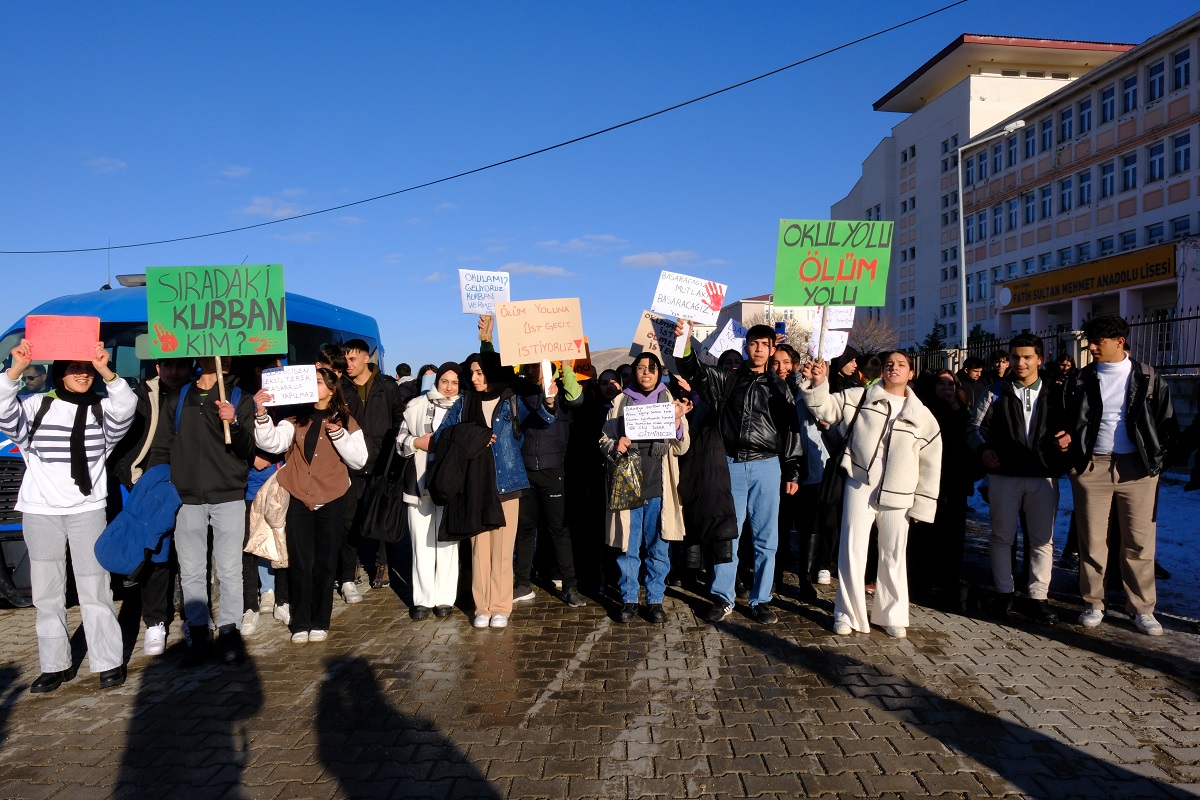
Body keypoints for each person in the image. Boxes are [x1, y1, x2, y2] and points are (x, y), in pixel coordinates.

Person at [1, 340, 136, 692]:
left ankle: (107, 661)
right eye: (75, 367)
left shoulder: (102, 410)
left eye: (88, 368)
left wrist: (107, 368)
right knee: (47, 593)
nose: (83, 374)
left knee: (95, 589)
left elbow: (127, 406)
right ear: (60, 371)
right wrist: (16, 368)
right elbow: (3, 411)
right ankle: (54, 665)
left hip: (87, 510)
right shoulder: (35, 405)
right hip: (40, 511)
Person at [801, 351, 942, 638]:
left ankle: (892, 614)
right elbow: (826, 409)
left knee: (893, 553)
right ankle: (846, 613)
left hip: (900, 492)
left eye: (901, 364)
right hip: (860, 482)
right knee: (852, 549)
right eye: (890, 363)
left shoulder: (922, 415)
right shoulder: (860, 396)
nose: (894, 367)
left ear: (911, 374)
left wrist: (923, 504)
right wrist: (818, 383)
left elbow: (931, 462)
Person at [675, 319, 804, 625]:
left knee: (766, 539)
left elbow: (792, 431)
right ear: (747, 347)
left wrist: (793, 471)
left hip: (768, 466)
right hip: (731, 465)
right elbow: (694, 370)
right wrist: (686, 340)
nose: (759, 349)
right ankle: (723, 596)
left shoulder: (781, 386)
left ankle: (761, 599)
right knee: (727, 535)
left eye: (765, 344)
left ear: (773, 348)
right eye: (753, 343)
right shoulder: (728, 378)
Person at [1064, 315, 1177, 635]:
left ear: (1120, 342)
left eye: (1099, 341)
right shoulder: (1080, 379)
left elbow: (1166, 422)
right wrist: (1074, 460)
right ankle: (1093, 603)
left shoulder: (1147, 376)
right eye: (1090, 341)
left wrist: (1156, 462)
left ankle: (1142, 608)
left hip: (1137, 470)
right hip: (1092, 467)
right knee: (1093, 540)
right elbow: (1068, 420)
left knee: (1139, 542)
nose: (1092, 347)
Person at [433, 351, 557, 628]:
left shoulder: (510, 400)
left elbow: (543, 419)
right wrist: (472, 435)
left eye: (480, 372)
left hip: (508, 482)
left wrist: (549, 401)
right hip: (474, 483)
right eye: (472, 373)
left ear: (492, 372)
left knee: (502, 549)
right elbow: (442, 434)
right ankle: (482, 607)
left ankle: (501, 606)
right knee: (480, 549)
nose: (474, 378)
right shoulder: (464, 402)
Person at [147, 356, 257, 666]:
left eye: (229, 354)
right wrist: (160, 485)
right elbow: (163, 447)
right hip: (187, 498)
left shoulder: (240, 397)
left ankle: (230, 630)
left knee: (229, 569)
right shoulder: (178, 397)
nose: (225, 358)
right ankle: (198, 630)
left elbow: (247, 449)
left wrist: (233, 423)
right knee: (192, 570)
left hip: (229, 495)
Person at [253, 368, 367, 643]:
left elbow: (359, 460)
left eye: (317, 382)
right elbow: (272, 442)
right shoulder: (293, 419)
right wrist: (262, 414)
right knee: (301, 562)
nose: (313, 386)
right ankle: (300, 621)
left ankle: (320, 620)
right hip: (300, 498)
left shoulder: (346, 420)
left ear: (331, 388)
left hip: (331, 498)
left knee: (326, 563)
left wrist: (340, 435)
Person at [967, 335, 1068, 623]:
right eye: (1015, 357)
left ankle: (1038, 596)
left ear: (1040, 359)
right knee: (1001, 536)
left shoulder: (1055, 391)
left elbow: (1070, 427)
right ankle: (1003, 593)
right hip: (1004, 476)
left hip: (1043, 476)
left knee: (1042, 540)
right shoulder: (994, 391)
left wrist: (1068, 440)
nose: (1020, 362)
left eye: (1027, 357)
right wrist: (983, 449)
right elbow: (974, 427)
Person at [109, 357, 196, 656]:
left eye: (181, 366)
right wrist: (134, 480)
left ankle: (192, 619)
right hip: (150, 487)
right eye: (167, 365)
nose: (174, 371)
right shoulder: (139, 397)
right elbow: (118, 445)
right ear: (157, 367)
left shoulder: (200, 393)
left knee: (191, 556)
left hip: (191, 485)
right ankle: (156, 622)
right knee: (155, 556)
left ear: (191, 367)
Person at [599, 352, 690, 623]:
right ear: (634, 371)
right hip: (629, 486)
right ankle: (629, 600)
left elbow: (682, 447)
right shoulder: (619, 402)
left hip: (658, 487)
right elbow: (603, 440)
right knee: (628, 546)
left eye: (651, 368)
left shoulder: (671, 402)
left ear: (659, 372)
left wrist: (676, 423)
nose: (646, 373)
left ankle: (654, 599)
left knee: (657, 546)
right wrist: (615, 446)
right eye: (641, 368)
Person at [511, 359, 587, 608]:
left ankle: (570, 586)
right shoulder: (520, 391)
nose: (534, 371)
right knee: (524, 528)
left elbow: (577, 400)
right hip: (524, 469)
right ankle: (522, 583)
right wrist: (486, 341)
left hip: (553, 469)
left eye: (539, 366)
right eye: (530, 367)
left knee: (558, 529)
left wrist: (565, 367)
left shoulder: (564, 389)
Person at [396, 362, 462, 619]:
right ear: (436, 383)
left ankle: (445, 598)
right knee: (421, 543)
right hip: (420, 483)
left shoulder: (464, 408)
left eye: (454, 382)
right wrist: (417, 441)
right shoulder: (416, 406)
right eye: (444, 381)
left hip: (451, 485)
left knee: (447, 541)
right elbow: (400, 441)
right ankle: (423, 599)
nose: (448, 387)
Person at [339, 339, 404, 598]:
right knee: (349, 516)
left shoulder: (387, 385)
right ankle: (350, 564)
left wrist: (394, 452)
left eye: (352, 359)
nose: (348, 364)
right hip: (352, 460)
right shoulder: (341, 388)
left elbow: (399, 419)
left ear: (367, 358)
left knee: (381, 516)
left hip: (382, 461)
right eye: (345, 359)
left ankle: (382, 564)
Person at [911, 369, 977, 610]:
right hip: (928, 478)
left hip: (955, 480)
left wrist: (955, 406)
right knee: (926, 533)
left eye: (951, 384)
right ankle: (922, 580)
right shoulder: (924, 408)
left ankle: (948, 581)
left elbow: (969, 434)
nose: (946, 388)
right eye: (942, 384)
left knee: (953, 534)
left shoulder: (962, 409)